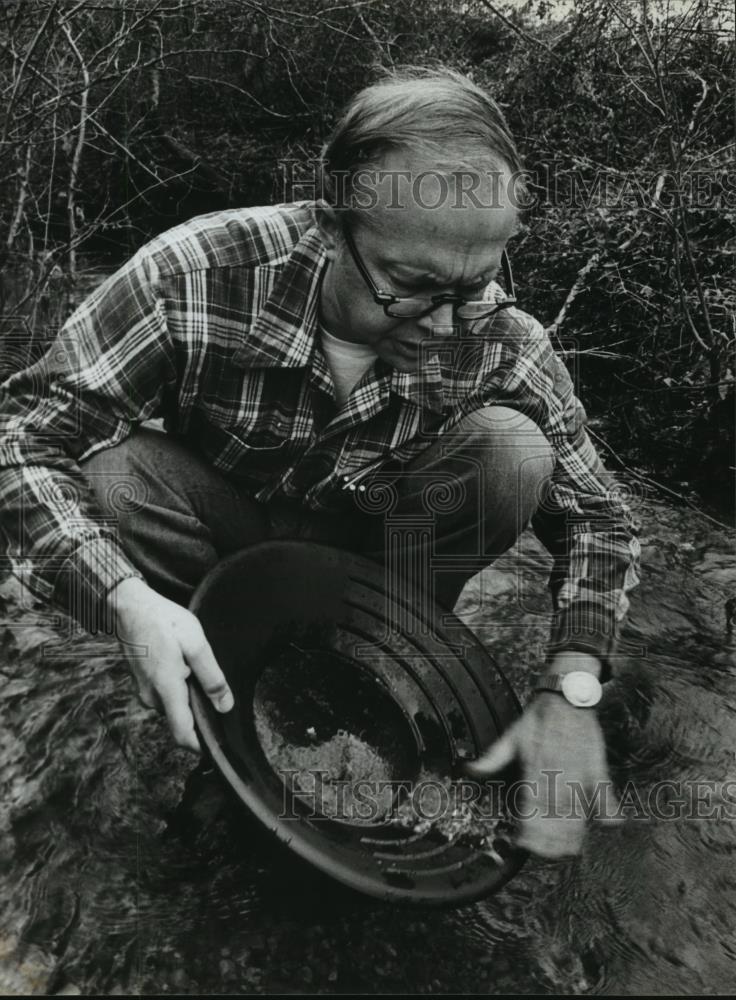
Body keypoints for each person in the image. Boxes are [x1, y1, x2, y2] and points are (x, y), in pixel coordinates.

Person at [0, 66, 639, 858]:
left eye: (475, 284)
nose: (449, 324)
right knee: (113, 477)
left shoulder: (498, 334)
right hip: (227, 543)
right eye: (412, 288)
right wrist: (120, 596)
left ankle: (380, 666)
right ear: (331, 228)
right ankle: (219, 677)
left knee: (512, 448)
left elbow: (602, 517)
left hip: (384, 565)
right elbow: (24, 434)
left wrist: (572, 683)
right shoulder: (197, 274)